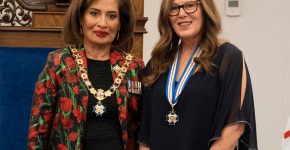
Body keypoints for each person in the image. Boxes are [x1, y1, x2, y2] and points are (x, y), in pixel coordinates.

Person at [138, 0, 257, 150]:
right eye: (174, 8)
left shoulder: (229, 57)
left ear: (206, 9)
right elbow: (145, 137)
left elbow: (235, 128)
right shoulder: (157, 63)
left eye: (189, 5)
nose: (181, 13)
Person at [27, 0, 144, 150]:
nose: (103, 23)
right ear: (80, 18)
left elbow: (146, 128)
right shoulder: (58, 63)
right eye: (94, 13)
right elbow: (38, 129)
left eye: (112, 16)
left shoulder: (134, 67)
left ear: (120, 23)